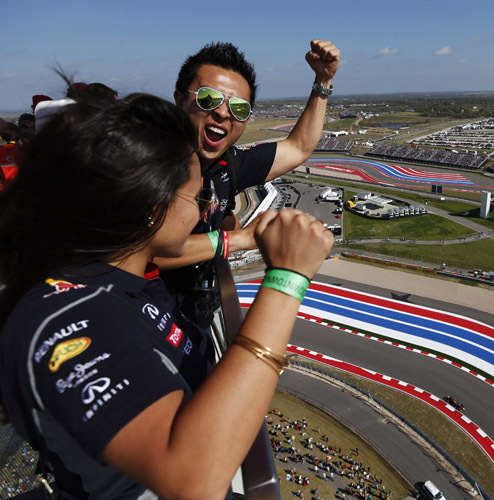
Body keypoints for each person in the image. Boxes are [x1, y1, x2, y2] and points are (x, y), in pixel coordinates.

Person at [0, 91, 334, 499]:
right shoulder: (68, 314)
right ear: (152, 207)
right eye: (195, 198)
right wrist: (287, 278)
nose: (199, 213)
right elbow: (191, 479)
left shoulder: (112, 284)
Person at [157, 39, 339, 326]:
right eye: (208, 99)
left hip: (192, 316)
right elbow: (141, 249)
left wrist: (322, 80)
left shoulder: (229, 163)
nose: (223, 113)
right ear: (181, 100)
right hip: (142, 318)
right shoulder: (146, 162)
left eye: (239, 108)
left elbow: (299, 147)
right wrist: (237, 240)